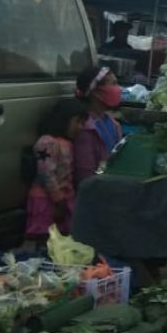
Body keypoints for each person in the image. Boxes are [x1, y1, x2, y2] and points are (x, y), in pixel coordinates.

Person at [26, 98, 86, 241]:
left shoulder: (67, 144)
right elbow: (46, 174)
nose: (81, 127)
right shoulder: (48, 142)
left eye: (83, 123)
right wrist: (59, 199)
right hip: (47, 201)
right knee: (46, 239)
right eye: (77, 121)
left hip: (63, 200)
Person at [73, 65, 124, 186]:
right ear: (96, 92)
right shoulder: (85, 128)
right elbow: (85, 174)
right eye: (113, 84)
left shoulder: (112, 123)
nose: (119, 89)